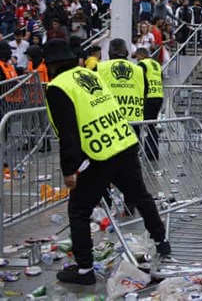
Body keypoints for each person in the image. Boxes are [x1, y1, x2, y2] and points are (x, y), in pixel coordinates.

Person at [42, 38, 169, 285]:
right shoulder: (88, 74)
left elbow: (68, 132)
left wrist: (69, 170)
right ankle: (162, 242)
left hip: (98, 154)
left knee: (78, 211)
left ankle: (84, 270)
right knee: (141, 196)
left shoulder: (58, 87)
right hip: (123, 142)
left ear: (50, 65)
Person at [96, 39, 146, 127]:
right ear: (126, 52)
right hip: (134, 120)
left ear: (109, 53)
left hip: (108, 120)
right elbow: (145, 93)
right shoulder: (139, 70)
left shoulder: (99, 68)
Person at [134, 47, 164, 160]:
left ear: (140, 55)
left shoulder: (142, 64)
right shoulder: (156, 64)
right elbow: (161, 79)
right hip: (158, 96)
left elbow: (139, 79)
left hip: (148, 97)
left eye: (137, 57)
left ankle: (148, 152)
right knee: (152, 125)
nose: (136, 59)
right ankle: (153, 152)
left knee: (145, 125)